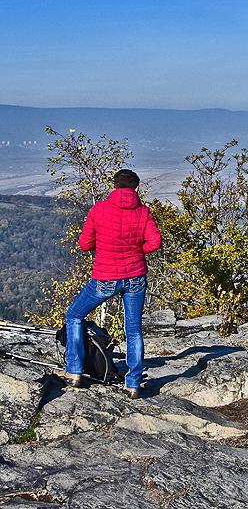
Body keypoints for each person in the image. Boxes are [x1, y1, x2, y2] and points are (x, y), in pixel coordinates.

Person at [63, 169, 162, 398]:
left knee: (74, 316)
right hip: (136, 277)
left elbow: (85, 244)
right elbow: (155, 242)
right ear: (137, 188)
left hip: (106, 277)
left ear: (115, 187)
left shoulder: (99, 210)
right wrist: (138, 251)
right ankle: (133, 383)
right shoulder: (143, 212)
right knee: (134, 330)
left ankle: (75, 371)